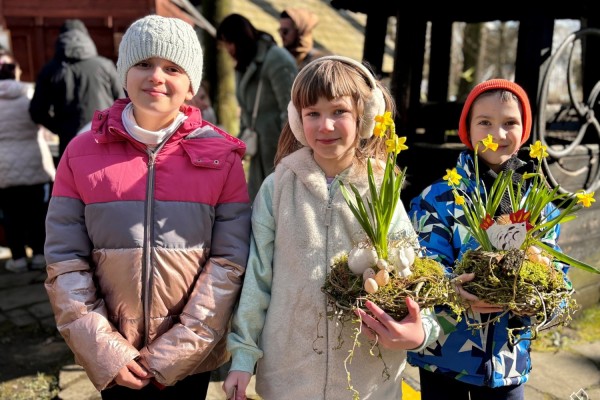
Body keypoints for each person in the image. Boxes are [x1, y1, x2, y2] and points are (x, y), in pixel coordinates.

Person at [43, 15, 251, 399]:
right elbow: (64, 259)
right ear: (124, 73)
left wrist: (176, 351)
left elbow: (229, 262)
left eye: (172, 68)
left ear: (191, 85)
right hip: (114, 354)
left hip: (190, 356)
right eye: (144, 64)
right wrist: (106, 350)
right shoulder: (80, 152)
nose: (157, 76)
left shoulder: (223, 157)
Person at [221, 55, 440, 400]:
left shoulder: (381, 190)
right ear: (297, 120)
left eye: (338, 111)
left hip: (368, 383)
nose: (325, 125)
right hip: (289, 379)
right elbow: (257, 279)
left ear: (365, 118)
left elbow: (411, 274)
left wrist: (421, 331)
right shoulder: (276, 189)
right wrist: (243, 357)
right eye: (313, 114)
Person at [407, 79, 570, 400]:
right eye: (485, 122)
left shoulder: (538, 205)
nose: (498, 134)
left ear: (524, 132)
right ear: (467, 130)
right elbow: (421, 271)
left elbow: (559, 283)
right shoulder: (438, 199)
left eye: (510, 122)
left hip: (508, 361)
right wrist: (455, 292)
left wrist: (538, 300)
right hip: (444, 357)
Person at [216, 13, 297, 201]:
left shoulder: (276, 59)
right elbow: (246, 111)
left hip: (279, 153)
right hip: (258, 152)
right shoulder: (244, 64)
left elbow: (292, 109)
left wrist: (286, 152)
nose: (227, 49)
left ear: (239, 38)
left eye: (229, 42)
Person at [29, 18, 125, 163]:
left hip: (69, 141)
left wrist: (59, 128)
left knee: (72, 183)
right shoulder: (105, 66)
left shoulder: (50, 70)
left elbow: (37, 111)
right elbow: (122, 102)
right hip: (105, 138)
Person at [0, 49, 55, 273]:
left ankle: (19, 258)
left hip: (4, 166)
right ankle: (40, 255)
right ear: (16, 72)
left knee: (11, 215)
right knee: (38, 212)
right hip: (34, 159)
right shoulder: (29, 93)